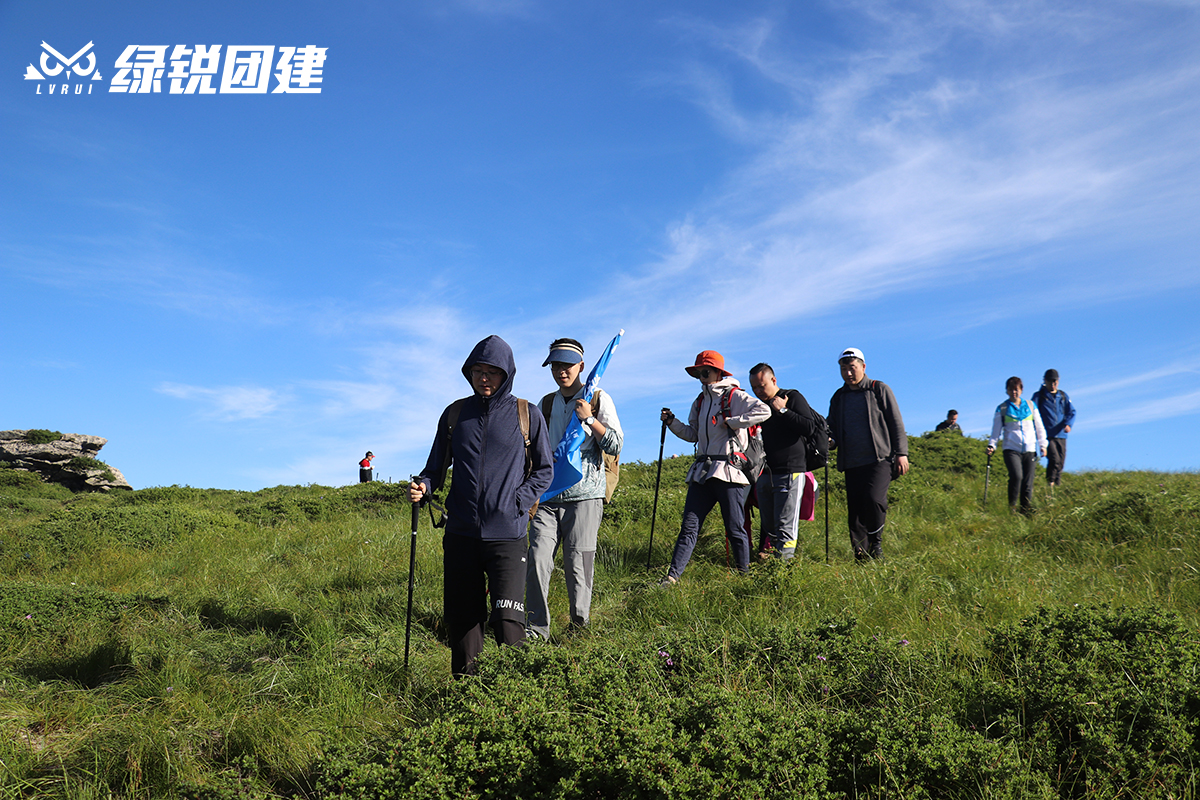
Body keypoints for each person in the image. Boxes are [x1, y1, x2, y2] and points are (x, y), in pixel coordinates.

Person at [408, 335, 554, 677]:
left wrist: (518, 500)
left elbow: (545, 470)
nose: (484, 377)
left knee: (508, 622)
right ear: (469, 373)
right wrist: (424, 487)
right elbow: (435, 468)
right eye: (478, 370)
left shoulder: (526, 414)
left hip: (508, 536)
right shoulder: (455, 415)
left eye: (492, 371)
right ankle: (467, 697)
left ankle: (516, 695)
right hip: (461, 534)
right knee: (463, 623)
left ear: (507, 374)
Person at [526, 338, 623, 641]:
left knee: (578, 566)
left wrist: (590, 419)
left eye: (567, 365)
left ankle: (578, 629)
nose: (561, 370)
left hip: (585, 497)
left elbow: (616, 444)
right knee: (537, 561)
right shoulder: (545, 404)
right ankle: (535, 631)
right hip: (548, 496)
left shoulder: (597, 398)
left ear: (581, 366)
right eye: (555, 365)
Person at [658, 351, 771, 584]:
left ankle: (744, 579)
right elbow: (692, 434)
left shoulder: (735, 396)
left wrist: (734, 422)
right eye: (698, 372)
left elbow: (764, 411)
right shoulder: (699, 401)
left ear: (718, 372)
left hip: (730, 471)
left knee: (735, 529)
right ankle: (671, 578)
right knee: (689, 527)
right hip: (703, 471)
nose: (701, 376)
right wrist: (672, 423)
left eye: (705, 371)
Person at [827, 347, 909, 562]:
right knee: (855, 512)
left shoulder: (878, 389)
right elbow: (832, 427)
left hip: (880, 459)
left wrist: (901, 453)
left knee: (874, 500)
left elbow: (896, 422)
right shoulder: (839, 397)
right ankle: (861, 556)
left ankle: (876, 543)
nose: (848, 373)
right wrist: (830, 441)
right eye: (844, 369)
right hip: (851, 461)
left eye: (852, 368)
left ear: (863, 367)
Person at [747, 363, 817, 561]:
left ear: (774, 380)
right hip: (764, 474)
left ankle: (783, 574)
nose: (759, 391)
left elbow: (809, 427)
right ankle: (772, 568)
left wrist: (784, 411)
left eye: (762, 386)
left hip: (790, 471)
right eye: (754, 388)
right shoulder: (758, 406)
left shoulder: (792, 396)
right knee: (769, 526)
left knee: (785, 527)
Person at [986, 376, 1048, 515]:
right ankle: (1012, 508)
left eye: (1017, 389)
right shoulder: (1002, 408)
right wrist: (992, 445)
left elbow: (1039, 427)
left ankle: (1025, 510)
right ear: (1006, 391)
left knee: (1028, 482)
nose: (1014, 392)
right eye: (1011, 390)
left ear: (1021, 390)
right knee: (1017, 476)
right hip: (1011, 449)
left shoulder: (1031, 406)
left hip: (1030, 449)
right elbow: (996, 430)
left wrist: (1043, 445)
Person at [1031, 369, 1075, 488]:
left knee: (1061, 461)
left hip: (1061, 434)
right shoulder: (1039, 396)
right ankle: (1049, 483)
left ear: (1058, 381)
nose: (1053, 384)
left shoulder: (1063, 396)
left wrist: (1068, 424)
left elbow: (1072, 412)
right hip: (1047, 434)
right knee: (1054, 459)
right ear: (1044, 381)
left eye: (1055, 381)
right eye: (1050, 381)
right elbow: (1032, 413)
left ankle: (1057, 485)